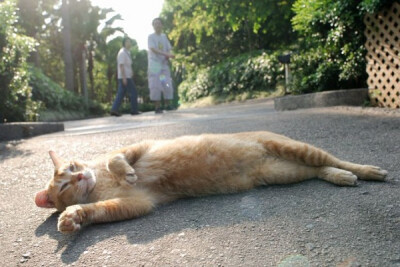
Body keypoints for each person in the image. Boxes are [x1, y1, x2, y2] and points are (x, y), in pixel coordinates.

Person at [147, 17, 175, 114]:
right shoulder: (151, 37)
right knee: (155, 85)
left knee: (166, 83)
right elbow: (153, 49)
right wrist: (166, 54)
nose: (158, 25)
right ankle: (157, 107)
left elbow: (169, 48)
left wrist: (169, 54)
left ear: (162, 25)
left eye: (159, 23)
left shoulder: (164, 37)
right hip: (155, 65)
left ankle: (167, 104)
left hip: (163, 65)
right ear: (153, 26)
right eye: (155, 24)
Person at [111, 37, 140, 116]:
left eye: (130, 42)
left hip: (127, 76)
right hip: (125, 77)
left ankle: (114, 109)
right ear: (124, 43)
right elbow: (121, 65)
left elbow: (128, 65)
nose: (129, 43)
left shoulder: (127, 52)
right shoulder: (122, 52)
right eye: (127, 42)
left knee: (121, 93)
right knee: (134, 92)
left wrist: (131, 72)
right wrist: (124, 77)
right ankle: (134, 110)